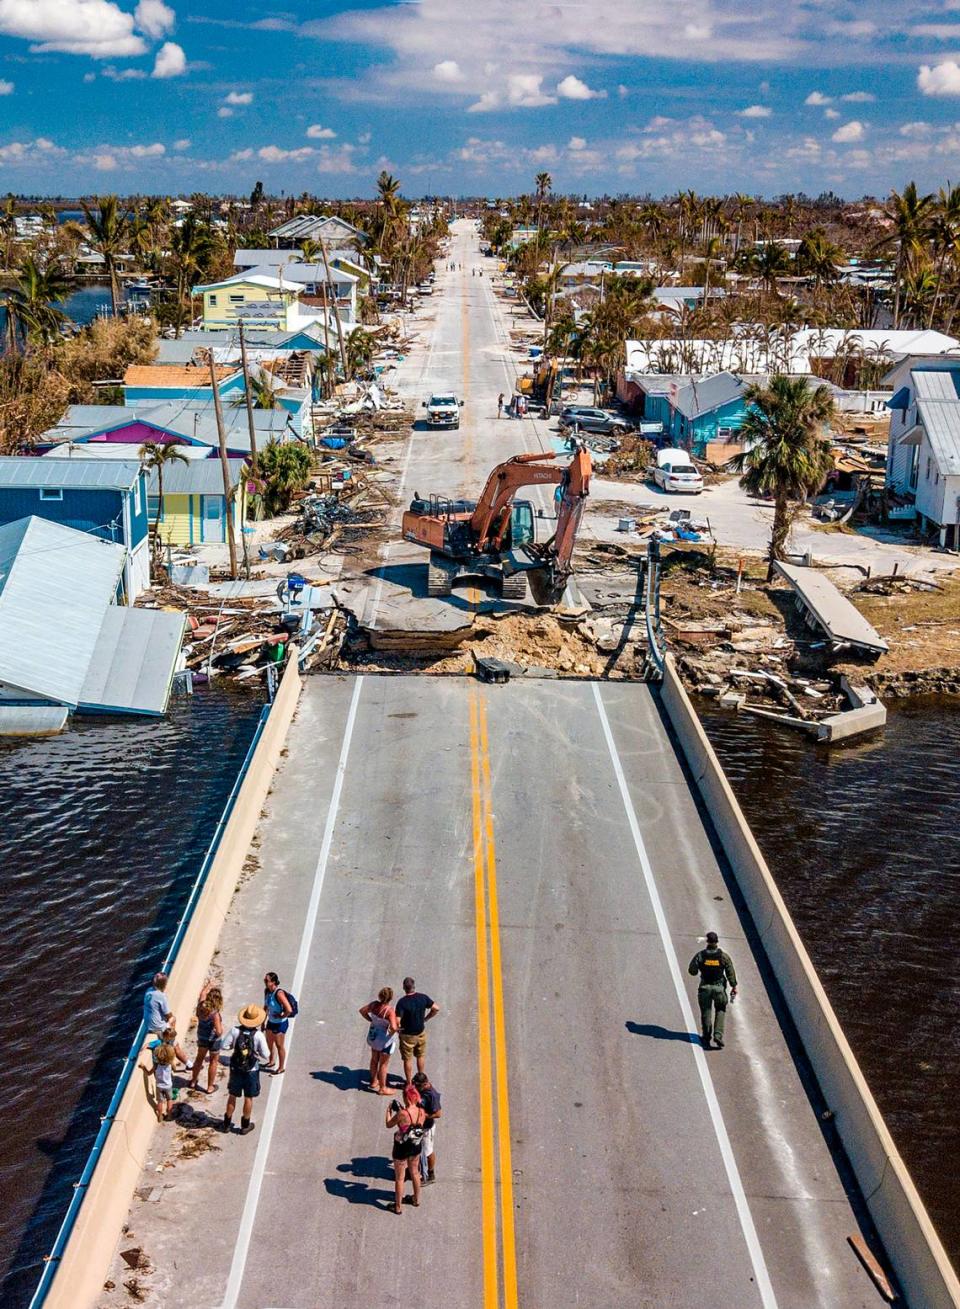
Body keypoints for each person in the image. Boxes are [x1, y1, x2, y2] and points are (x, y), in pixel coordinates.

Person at [220, 1003, 270, 1135]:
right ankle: (245, 1125)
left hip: (236, 1068)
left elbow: (224, 1046)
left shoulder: (235, 1031)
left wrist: (234, 1048)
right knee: (249, 1097)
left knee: (232, 1095)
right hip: (251, 1070)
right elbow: (266, 1055)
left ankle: (226, 1123)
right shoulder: (258, 1035)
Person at [688, 931, 738, 1049]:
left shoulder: (701, 955)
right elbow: (730, 972)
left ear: (707, 941)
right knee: (720, 1009)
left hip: (705, 988)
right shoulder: (723, 956)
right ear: (717, 942)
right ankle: (718, 1035)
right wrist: (734, 985)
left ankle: (706, 1037)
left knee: (706, 1012)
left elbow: (692, 971)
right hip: (719, 988)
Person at [386, 1084, 427, 1214]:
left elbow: (388, 1124)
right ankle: (416, 1199)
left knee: (400, 1177)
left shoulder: (402, 1114)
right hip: (415, 1145)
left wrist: (388, 1111)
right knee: (415, 1172)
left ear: (406, 1098)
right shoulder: (422, 1111)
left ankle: (398, 1207)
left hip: (401, 1147)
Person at [143, 972, 190, 1068]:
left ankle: (172, 1045)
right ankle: (189, 1064)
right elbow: (169, 1015)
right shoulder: (161, 996)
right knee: (173, 1021)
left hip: (149, 1025)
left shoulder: (148, 991)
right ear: (164, 984)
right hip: (158, 1028)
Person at [396, 977, 440, 1082]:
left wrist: (398, 1029)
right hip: (421, 1032)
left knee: (408, 1059)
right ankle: (421, 1079)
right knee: (420, 1056)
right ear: (414, 986)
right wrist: (427, 1018)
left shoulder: (402, 1002)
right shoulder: (423, 997)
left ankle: (409, 1082)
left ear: (403, 987)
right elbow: (436, 1008)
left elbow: (397, 1020)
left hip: (407, 1035)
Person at [360, 986, 399, 1095]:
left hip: (374, 1036)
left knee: (374, 1059)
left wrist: (371, 1020)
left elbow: (362, 1011)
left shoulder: (373, 1005)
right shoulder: (389, 1011)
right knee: (383, 1064)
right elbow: (394, 1027)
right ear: (390, 998)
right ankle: (382, 1088)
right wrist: (393, 1031)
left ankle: (373, 1081)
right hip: (385, 1040)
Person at [189, 982, 224, 1094]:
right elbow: (218, 1032)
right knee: (213, 1062)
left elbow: (202, 993)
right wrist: (221, 1031)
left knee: (199, 1059)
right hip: (213, 1041)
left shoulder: (200, 1007)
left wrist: (208, 985)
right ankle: (210, 1087)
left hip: (202, 1037)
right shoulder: (215, 1014)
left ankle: (193, 1081)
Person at [412, 1071, 442, 1184]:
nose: (416, 1088)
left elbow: (438, 1114)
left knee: (427, 1151)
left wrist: (426, 1115)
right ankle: (414, 1170)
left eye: (418, 1086)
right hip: (418, 1125)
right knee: (415, 1148)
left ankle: (430, 1174)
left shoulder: (432, 1095)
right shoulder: (422, 1090)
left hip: (427, 1128)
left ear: (424, 1084)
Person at [262, 972, 294, 1074]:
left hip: (280, 1024)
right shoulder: (267, 991)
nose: (265, 982)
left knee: (279, 1045)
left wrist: (281, 1016)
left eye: (267, 980)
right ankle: (271, 1061)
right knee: (269, 1043)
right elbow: (266, 1007)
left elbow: (289, 1009)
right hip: (271, 1022)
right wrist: (263, 1021)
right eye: (265, 980)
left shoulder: (279, 993)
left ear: (273, 982)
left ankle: (281, 1067)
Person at [151, 1041, 175, 1123]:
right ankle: (169, 1115)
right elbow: (174, 1069)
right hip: (168, 1086)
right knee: (169, 1100)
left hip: (159, 1086)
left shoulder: (156, 1065)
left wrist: (143, 1067)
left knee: (160, 1102)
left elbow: (149, 1073)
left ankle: (160, 1115)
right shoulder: (170, 1064)